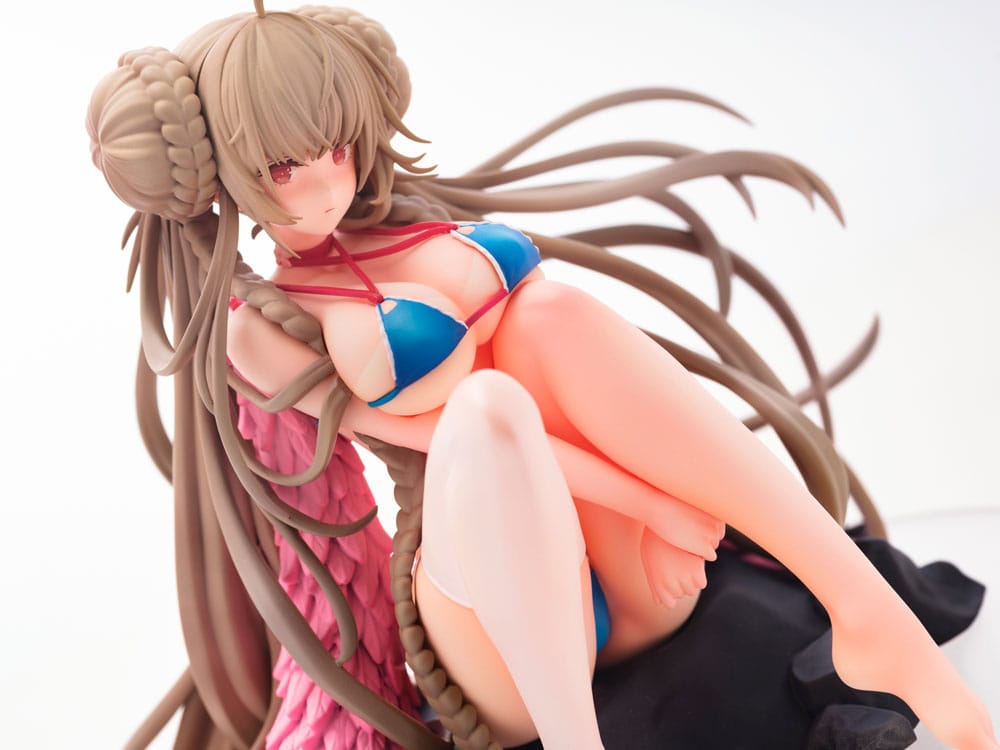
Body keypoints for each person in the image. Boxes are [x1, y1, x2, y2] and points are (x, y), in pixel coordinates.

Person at [86, 3, 998, 749]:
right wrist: (651, 502)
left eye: (337, 148)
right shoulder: (260, 328)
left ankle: (866, 610)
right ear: (217, 174)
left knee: (551, 314)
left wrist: (652, 510)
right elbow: (448, 434)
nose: (327, 184)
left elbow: (563, 369)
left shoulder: (404, 228)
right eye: (285, 168)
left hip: (611, 565)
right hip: (489, 625)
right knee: (485, 406)